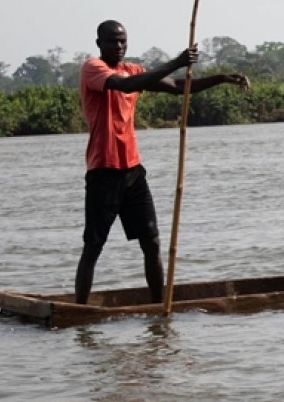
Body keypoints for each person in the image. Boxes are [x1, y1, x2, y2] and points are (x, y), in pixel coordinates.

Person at [75, 20, 250, 305]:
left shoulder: (132, 68)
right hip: (103, 171)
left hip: (132, 171)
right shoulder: (93, 69)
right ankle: (79, 310)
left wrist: (220, 78)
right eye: (112, 41)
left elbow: (178, 86)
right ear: (99, 44)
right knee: (93, 246)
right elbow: (124, 85)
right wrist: (176, 61)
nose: (118, 46)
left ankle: (159, 308)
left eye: (122, 41)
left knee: (152, 242)